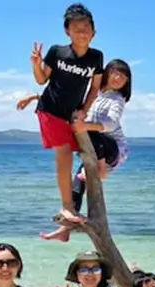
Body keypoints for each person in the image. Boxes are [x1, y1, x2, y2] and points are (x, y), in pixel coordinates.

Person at [18, 59, 132, 241]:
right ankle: (65, 229)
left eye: (123, 76)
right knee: (76, 188)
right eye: (115, 72)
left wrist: (86, 125)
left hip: (111, 149)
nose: (118, 78)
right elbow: (64, 102)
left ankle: (101, 169)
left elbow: (110, 124)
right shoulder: (94, 94)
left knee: (88, 131)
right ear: (106, 73)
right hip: (92, 150)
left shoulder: (117, 100)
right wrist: (33, 97)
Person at [30, 3, 104, 225]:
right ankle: (67, 206)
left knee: (89, 154)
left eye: (86, 27)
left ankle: (73, 215)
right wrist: (36, 63)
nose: (82, 32)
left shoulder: (96, 57)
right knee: (64, 154)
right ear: (67, 31)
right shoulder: (57, 52)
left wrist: (83, 111)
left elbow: (94, 88)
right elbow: (42, 79)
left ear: (94, 32)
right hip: (50, 110)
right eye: (76, 27)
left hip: (71, 115)